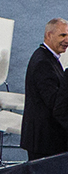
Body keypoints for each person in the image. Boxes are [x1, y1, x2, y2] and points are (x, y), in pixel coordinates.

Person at [20, 18, 68, 161]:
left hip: (46, 138)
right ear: (48, 35)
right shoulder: (43, 63)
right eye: (62, 35)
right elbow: (55, 103)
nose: (67, 40)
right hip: (44, 142)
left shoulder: (48, 57)